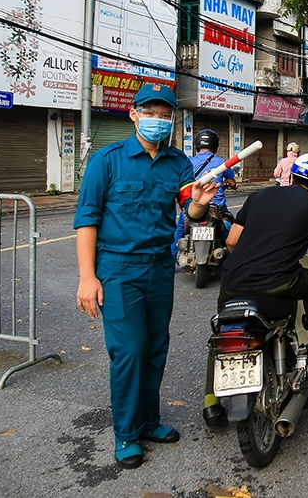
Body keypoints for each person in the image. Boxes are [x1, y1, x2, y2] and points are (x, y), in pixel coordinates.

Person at [74, 84, 219, 469]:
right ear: (134, 114)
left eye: (164, 113)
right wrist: (87, 277)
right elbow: (87, 220)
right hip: (118, 269)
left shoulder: (179, 164)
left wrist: (201, 205)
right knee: (129, 350)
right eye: (150, 111)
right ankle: (126, 432)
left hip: (159, 267)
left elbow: (190, 211)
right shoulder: (107, 161)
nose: (158, 119)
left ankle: (149, 421)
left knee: (155, 347)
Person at [203, 154, 308, 427]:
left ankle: (210, 404)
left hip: (233, 284)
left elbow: (232, 240)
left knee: (222, 333)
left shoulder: (260, 196)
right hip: (279, 283)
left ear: (292, 176)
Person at [171, 129, 237, 256]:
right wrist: (230, 186)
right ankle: (232, 261)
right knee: (227, 229)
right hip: (216, 205)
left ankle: (171, 259)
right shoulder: (222, 162)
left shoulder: (188, 162)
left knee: (179, 231)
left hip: (193, 205)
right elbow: (233, 183)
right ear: (215, 145)